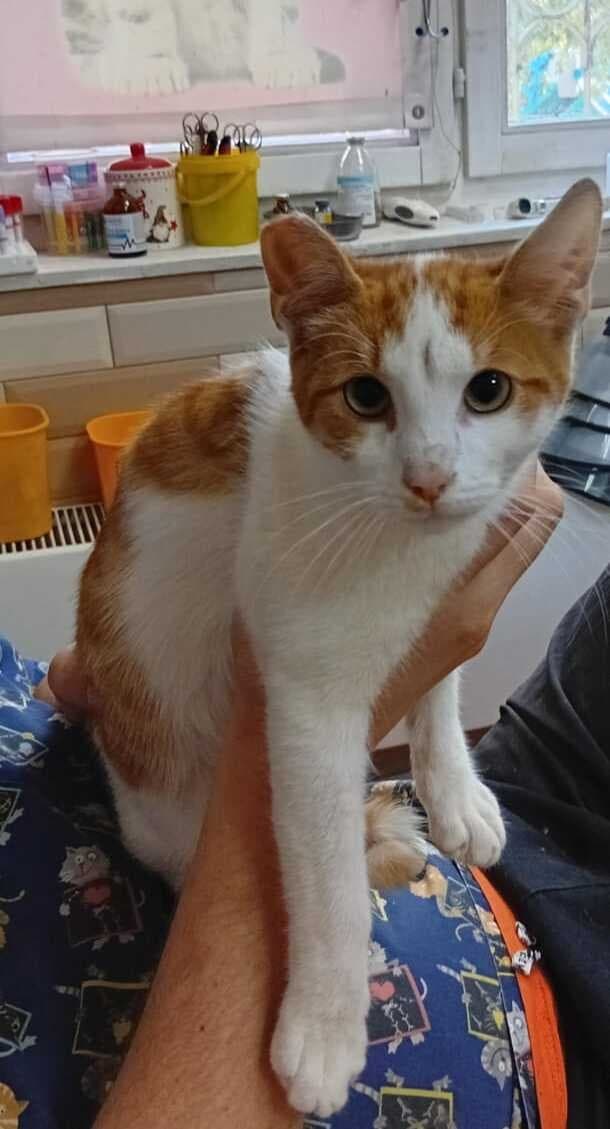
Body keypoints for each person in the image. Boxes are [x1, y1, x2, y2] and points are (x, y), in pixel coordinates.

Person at [1, 466, 607, 1128]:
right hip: (548, 1043)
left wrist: (104, 684)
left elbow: (44, 695)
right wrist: (280, 726)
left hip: (500, 816)